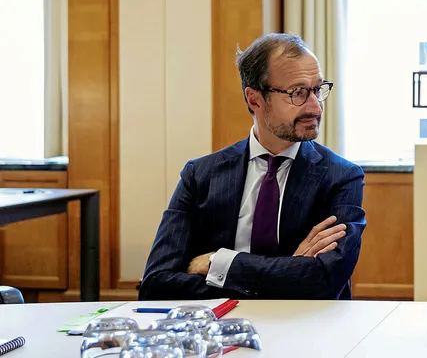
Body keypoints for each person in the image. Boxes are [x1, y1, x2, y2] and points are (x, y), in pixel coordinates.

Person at [139, 33, 365, 300]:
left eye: (317, 89)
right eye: (298, 93)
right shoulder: (200, 176)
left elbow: (323, 282)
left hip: (308, 328)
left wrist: (220, 264)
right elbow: (156, 284)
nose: (315, 106)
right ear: (255, 99)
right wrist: (289, 273)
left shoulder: (341, 177)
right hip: (219, 330)